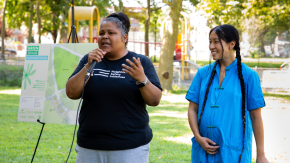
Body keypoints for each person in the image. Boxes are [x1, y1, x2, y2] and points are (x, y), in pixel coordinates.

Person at [66, 12, 162, 163]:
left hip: (130, 147)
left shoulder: (140, 62)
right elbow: (71, 93)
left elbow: (155, 100)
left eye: (111, 33)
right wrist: (87, 66)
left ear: (124, 38)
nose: (105, 36)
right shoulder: (89, 60)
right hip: (90, 145)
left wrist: (142, 79)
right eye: (101, 33)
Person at [186, 25, 269, 163]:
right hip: (202, 153)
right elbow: (192, 109)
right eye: (210, 41)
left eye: (216, 41)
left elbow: (256, 117)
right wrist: (198, 137)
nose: (211, 46)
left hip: (233, 153)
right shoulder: (202, 74)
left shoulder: (249, 76)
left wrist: (260, 154)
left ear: (232, 44)